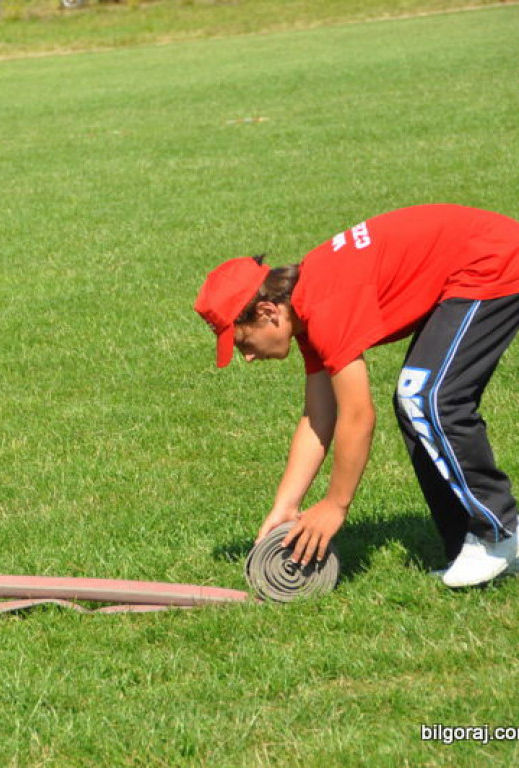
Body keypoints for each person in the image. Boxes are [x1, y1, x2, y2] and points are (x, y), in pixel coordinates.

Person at [194, 204, 519, 588]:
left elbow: (358, 415)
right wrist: (286, 504)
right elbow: (318, 416)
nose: (247, 357)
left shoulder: (325, 304)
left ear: (267, 312)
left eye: (243, 343)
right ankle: (469, 542)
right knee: (414, 401)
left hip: (492, 261)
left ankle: (499, 531)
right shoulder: (304, 309)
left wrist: (335, 504)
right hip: (465, 268)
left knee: (425, 397)